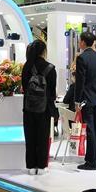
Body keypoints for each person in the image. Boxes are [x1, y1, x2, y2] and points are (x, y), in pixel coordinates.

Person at [21, 39, 56, 175]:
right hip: (44, 108)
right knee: (42, 137)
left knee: (30, 136)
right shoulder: (50, 68)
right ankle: (41, 166)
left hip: (28, 107)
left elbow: (24, 88)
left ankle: (31, 166)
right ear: (43, 51)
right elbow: (52, 92)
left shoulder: (27, 66)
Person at [75, 31, 96, 170]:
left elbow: (80, 82)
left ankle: (91, 162)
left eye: (80, 41)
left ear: (82, 42)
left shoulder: (82, 58)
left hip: (86, 99)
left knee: (90, 129)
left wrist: (77, 101)